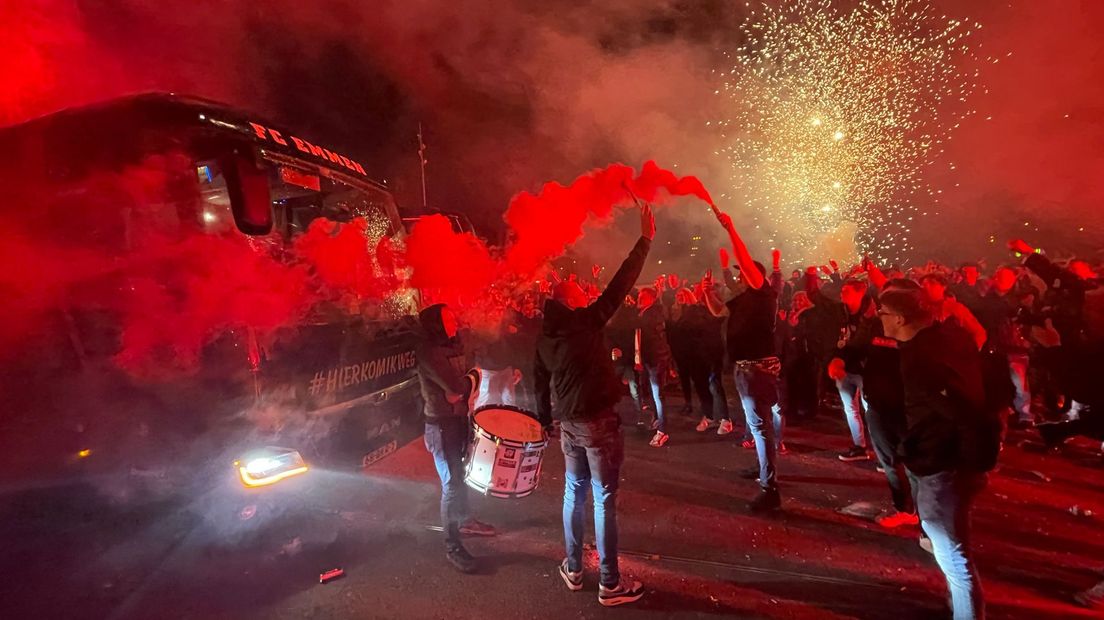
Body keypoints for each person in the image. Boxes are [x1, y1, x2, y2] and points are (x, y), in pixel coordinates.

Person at [533, 202, 654, 607]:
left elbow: (538, 380)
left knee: (573, 492)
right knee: (603, 498)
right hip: (597, 424)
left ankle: (572, 567)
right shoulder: (583, 323)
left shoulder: (547, 335)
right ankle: (610, 583)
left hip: (568, 424)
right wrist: (645, 240)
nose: (587, 294)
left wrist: (546, 421)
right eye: (580, 292)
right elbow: (619, 286)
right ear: (570, 302)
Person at [878, 287, 1000, 620]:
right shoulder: (948, 338)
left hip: (944, 465)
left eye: (882, 313)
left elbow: (960, 412)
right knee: (954, 544)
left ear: (900, 319)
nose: (878, 319)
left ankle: (968, 611)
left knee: (956, 559)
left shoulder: (921, 360)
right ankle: (959, 603)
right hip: (956, 463)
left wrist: (937, 452)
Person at [703, 211, 782, 512]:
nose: (738, 276)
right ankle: (763, 469)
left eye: (743, 272)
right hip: (745, 368)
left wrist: (732, 228)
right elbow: (717, 311)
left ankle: (770, 489)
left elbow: (746, 262)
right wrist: (706, 293)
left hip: (756, 369)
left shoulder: (764, 294)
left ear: (754, 276)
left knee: (761, 427)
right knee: (758, 425)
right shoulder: (743, 298)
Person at [415, 304, 496, 574]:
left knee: (460, 476)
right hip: (441, 427)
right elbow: (458, 387)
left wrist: (466, 383)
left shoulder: (452, 346)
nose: (455, 320)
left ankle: (465, 520)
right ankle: (452, 545)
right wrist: (470, 380)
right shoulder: (429, 353)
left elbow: (465, 381)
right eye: (448, 317)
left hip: (458, 421)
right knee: (451, 483)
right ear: (436, 324)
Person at [811, 272, 876, 461]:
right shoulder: (840, 312)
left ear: (861, 292)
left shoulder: (871, 315)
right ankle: (859, 447)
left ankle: (883, 452)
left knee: (871, 410)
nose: (841, 294)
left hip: (865, 370)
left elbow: (862, 344)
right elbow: (817, 297)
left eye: (846, 291)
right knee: (850, 408)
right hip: (844, 369)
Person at [635, 286, 674, 446]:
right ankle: (658, 420)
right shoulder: (644, 313)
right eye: (639, 296)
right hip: (650, 360)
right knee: (652, 393)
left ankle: (663, 431)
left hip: (655, 360)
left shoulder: (653, 314)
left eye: (642, 297)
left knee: (658, 395)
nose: (639, 299)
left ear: (651, 298)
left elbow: (652, 340)